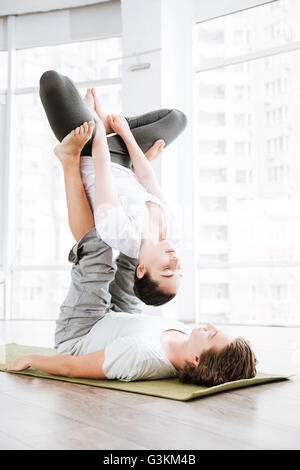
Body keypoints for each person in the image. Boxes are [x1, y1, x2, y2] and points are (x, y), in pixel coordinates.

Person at [6, 112, 258, 385]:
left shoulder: (141, 357)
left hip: (82, 331)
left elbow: (72, 367)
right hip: (120, 316)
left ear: (196, 359)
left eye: (211, 335)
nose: (209, 326)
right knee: (141, 249)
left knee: (99, 248)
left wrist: (32, 360)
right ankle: (126, 172)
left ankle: (69, 160)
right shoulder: (186, 336)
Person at [39, 70, 188, 306]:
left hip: (89, 150)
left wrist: (97, 123)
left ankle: (102, 125)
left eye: (167, 271)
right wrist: (125, 134)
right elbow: (148, 180)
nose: (175, 262)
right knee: (177, 119)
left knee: (54, 83)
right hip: (123, 158)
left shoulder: (120, 234)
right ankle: (109, 126)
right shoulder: (173, 233)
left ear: (141, 270)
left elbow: (102, 169)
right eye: (179, 270)